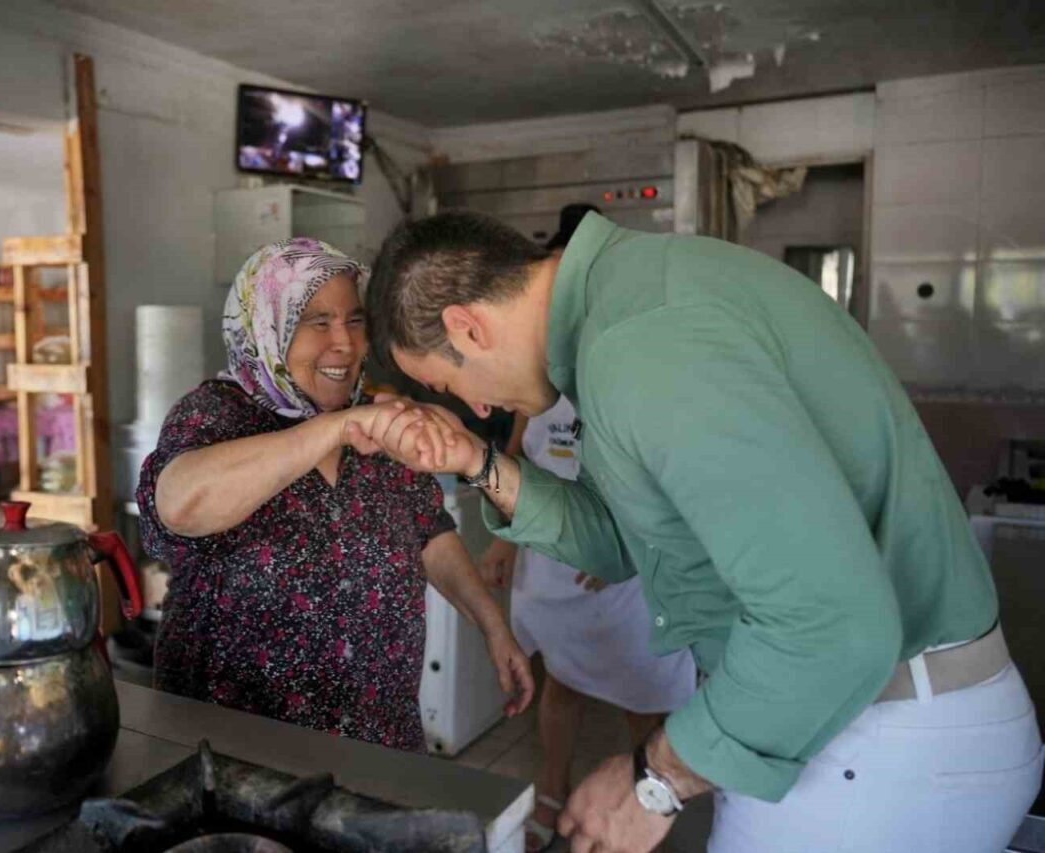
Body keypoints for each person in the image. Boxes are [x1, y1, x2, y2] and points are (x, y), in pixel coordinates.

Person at [356, 210, 1042, 852]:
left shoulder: (640, 344)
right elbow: (619, 541)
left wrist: (655, 779)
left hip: (877, 736)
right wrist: (477, 461)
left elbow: (832, 623)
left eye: (451, 383)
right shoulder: (628, 306)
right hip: (863, 723)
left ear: (468, 327)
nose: (475, 405)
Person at [137, 237, 533, 752]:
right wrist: (338, 427)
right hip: (240, 748)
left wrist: (492, 625)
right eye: (318, 322)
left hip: (377, 737)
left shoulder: (379, 422)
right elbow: (180, 505)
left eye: (354, 320)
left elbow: (429, 533)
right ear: (268, 327)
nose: (344, 343)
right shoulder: (216, 415)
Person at [477, 206, 696, 851]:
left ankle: (647, 809)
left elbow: (660, 471)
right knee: (562, 683)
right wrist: (500, 539)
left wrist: (620, 547)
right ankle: (551, 788)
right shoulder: (536, 361)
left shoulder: (629, 355)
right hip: (550, 549)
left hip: (622, 559)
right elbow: (514, 452)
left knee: (640, 695)